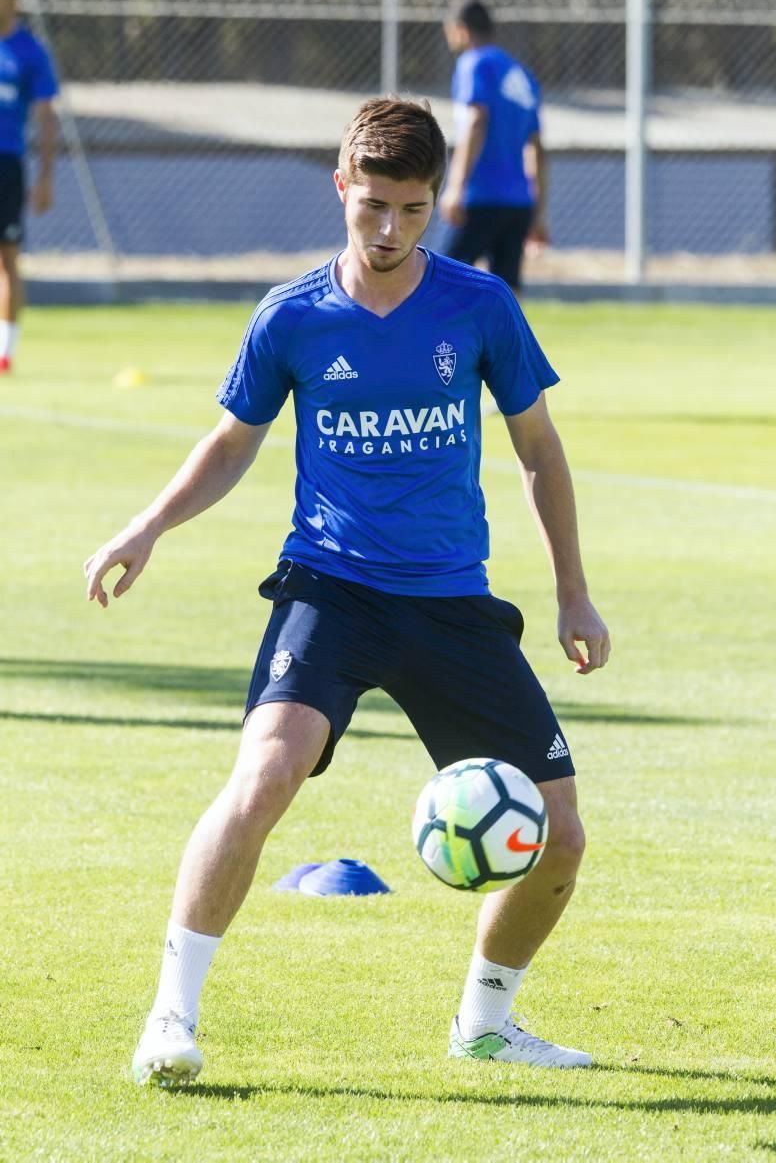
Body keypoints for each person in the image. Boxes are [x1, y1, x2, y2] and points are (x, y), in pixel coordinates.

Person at [84, 96, 610, 1087]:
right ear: (340, 188)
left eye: (412, 211)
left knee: (560, 834)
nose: (389, 230)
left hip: (451, 600)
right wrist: (146, 526)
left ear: (433, 205)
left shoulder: (478, 306)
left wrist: (572, 594)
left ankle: (484, 1022)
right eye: (373, 205)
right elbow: (230, 443)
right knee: (264, 775)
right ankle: (168, 1016)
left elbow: (537, 447)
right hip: (329, 589)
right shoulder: (290, 315)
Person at [440, 0, 547, 292]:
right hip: (519, 202)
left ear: (460, 30)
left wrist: (456, 187)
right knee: (507, 293)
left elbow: (476, 121)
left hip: (481, 197)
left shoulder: (473, 64)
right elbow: (536, 147)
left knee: (441, 283)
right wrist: (539, 212)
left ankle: (442, 342)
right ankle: (509, 342)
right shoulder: (522, 74)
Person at [0, 0, 57, 375]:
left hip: (6, 164)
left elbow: (45, 117)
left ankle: (5, 352)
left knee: (7, 259)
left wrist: (45, 177)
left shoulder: (29, 52)